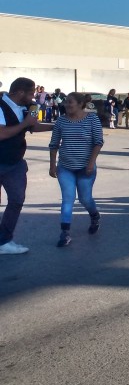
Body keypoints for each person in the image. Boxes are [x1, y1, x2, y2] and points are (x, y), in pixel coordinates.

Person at [0, 77, 53, 254]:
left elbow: (32, 127)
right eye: (31, 93)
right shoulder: (0, 106)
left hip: (15, 163)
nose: (34, 97)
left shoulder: (24, 108)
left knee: (16, 201)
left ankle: (4, 242)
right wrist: (25, 123)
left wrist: (57, 125)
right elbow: (2, 133)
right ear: (20, 92)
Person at [47, 92, 103, 247]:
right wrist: (52, 165)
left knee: (85, 199)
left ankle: (95, 216)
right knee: (67, 199)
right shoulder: (61, 121)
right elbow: (54, 144)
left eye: (70, 102)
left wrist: (91, 163)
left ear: (80, 104)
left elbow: (98, 142)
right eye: (65, 102)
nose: (66, 105)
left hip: (86, 168)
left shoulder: (92, 118)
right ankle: (65, 233)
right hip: (65, 167)